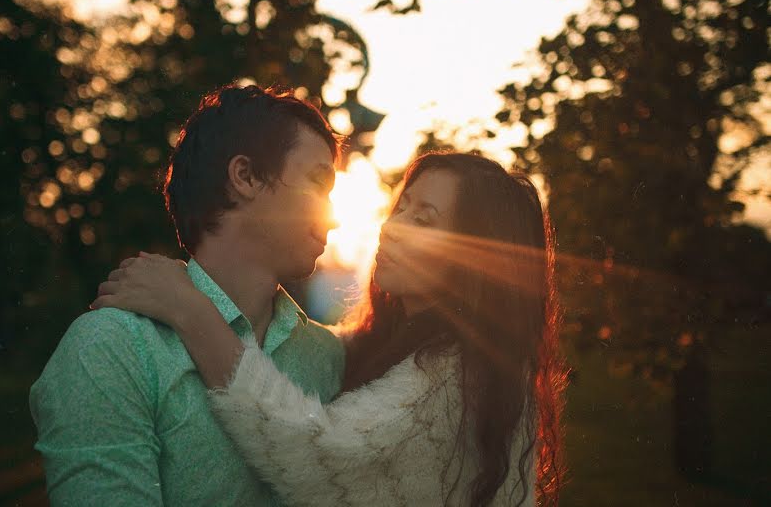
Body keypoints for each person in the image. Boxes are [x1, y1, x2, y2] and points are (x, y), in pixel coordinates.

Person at [94, 151, 566, 506]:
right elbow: (332, 350)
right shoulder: (408, 340)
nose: (394, 227)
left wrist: (192, 312)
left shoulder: (460, 375)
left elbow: (312, 453)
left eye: (424, 219)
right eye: (402, 207)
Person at [30, 84, 346, 506]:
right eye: (317, 183)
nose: (335, 218)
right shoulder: (110, 347)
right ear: (245, 177)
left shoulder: (328, 358)